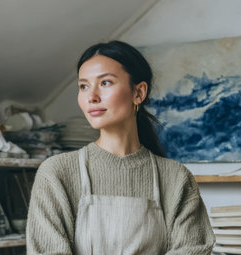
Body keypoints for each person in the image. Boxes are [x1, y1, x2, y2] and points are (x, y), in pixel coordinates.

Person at [27, 40, 215, 254]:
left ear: (138, 93)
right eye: (83, 86)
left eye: (105, 82)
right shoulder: (56, 173)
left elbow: (193, 249)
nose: (92, 97)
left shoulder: (176, 178)